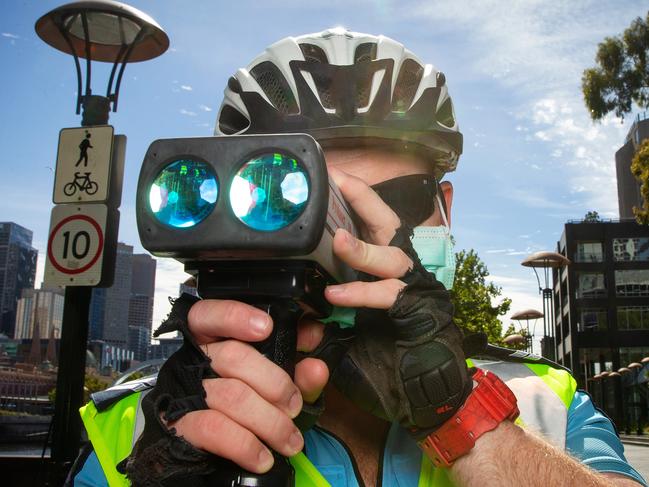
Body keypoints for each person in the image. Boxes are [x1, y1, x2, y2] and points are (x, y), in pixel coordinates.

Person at [67, 28, 647, 487]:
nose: (370, 241)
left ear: (444, 208)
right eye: (319, 210)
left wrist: (456, 413)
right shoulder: (143, 432)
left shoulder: (543, 403)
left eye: (401, 202)